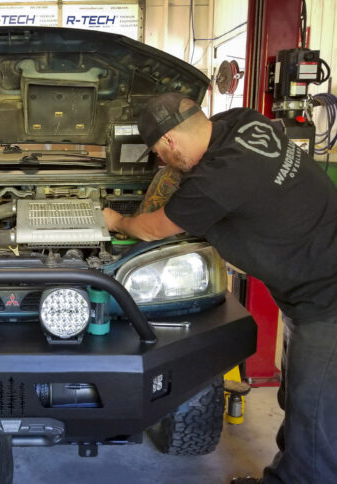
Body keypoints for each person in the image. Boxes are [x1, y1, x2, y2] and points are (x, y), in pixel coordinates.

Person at [103, 92, 337, 483]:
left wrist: (113, 220)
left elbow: (149, 228)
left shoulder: (216, 182)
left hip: (327, 299)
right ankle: (285, 471)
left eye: (158, 153)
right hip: (307, 290)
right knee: (298, 398)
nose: (160, 162)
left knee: (316, 415)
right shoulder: (244, 121)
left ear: (170, 142)